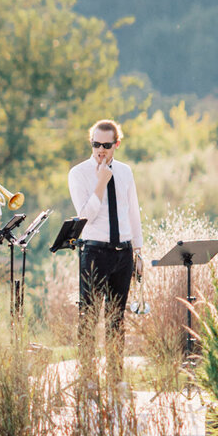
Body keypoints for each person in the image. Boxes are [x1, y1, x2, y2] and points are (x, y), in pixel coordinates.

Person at [68, 118, 143, 382]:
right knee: (88, 317)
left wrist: (139, 250)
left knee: (116, 319)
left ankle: (115, 377)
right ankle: (87, 378)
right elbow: (85, 214)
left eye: (106, 145)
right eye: (96, 144)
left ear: (116, 144)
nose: (100, 149)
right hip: (94, 252)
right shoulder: (78, 173)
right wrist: (100, 181)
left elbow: (132, 211)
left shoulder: (125, 171)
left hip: (123, 252)